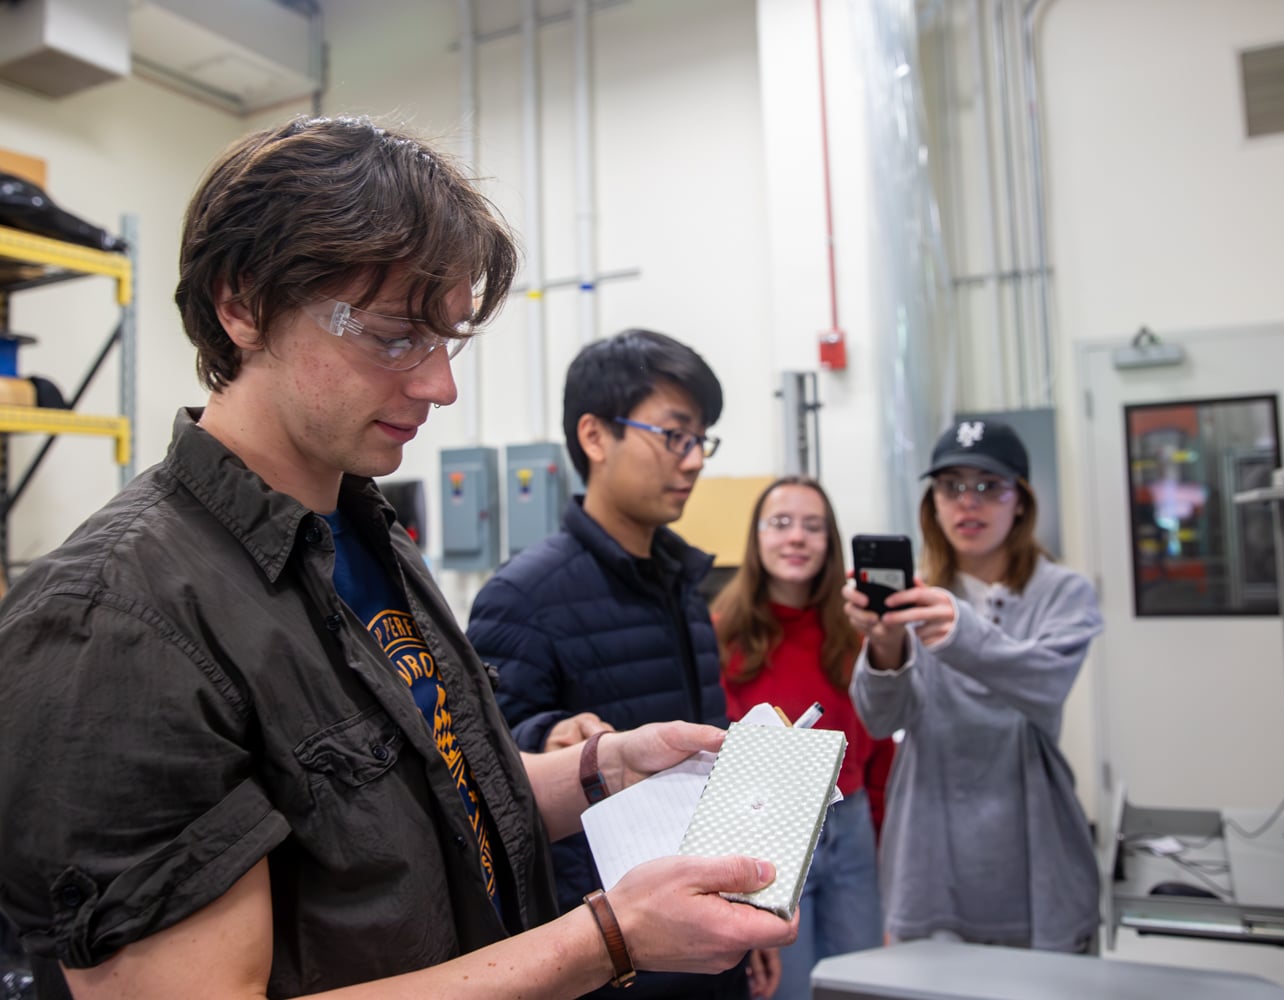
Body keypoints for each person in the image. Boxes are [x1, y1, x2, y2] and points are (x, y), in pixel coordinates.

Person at [0, 115, 796, 1000]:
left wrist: (599, 769)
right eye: (391, 337)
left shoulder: (365, 536)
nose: (438, 385)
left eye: (445, 339)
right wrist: (606, 938)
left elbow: (420, 815)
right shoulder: (116, 622)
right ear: (242, 304)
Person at [467, 329, 770, 998]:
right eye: (674, 435)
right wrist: (553, 734)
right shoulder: (522, 596)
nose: (692, 461)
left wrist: (748, 914)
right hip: (605, 950)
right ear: (595, 436)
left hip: (705, 928)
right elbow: (486, 772)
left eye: (701, 441)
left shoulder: (685, 585)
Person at [844, 417, 1103, 952]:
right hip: (931, 835)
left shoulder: (1064, 593)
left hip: (1031, 834)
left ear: (1021, 502)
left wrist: (961, 633)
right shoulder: (916, 593)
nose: (969, 502)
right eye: (952, 486)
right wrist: (887, 645)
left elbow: (1043, 682)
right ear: (933, 503)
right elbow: (880, 719)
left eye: (989, 486)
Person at [713, 476, 893, 1000]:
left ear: (831, 543)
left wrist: (880, 844)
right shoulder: (723, 633)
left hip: (853, 831)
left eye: (813, 527)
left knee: (860, 985)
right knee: (787, 990)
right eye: (781, 523)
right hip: (773, 835)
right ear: (757, 538)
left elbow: (878, 746)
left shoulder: (858, 629)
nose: (796, 538)